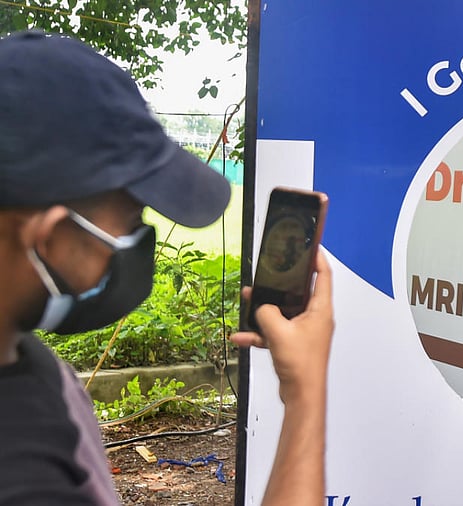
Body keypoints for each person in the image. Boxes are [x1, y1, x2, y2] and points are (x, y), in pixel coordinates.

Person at [0, 30, 333, 505]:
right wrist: (305, 393)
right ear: (51, 236)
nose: (139, 244)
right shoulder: (23, 477)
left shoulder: (23, 357)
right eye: (131, 221)